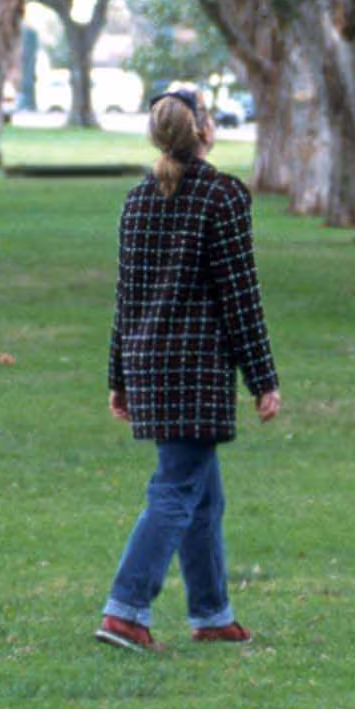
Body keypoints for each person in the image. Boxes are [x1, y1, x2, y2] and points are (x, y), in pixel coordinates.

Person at [97, 84, 281, 651]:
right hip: (195, 370)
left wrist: (119, 376)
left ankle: (212, 614)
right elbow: (240, 296)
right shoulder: (222, 196)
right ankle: (125, 610)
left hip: (149, 364)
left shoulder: (137, 199)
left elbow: (126, 298)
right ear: (203, 129)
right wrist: (263, 379)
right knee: (176, 489)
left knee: (204, 498)